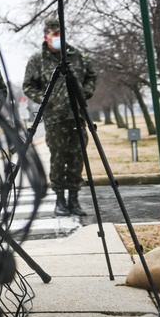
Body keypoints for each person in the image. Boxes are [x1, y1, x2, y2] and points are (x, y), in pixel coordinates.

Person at [23, 16, 97, 217]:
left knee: (76, 158)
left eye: (60, 34)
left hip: (77, 116)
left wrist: (85, 93)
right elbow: (28, 86)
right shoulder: (37, 60)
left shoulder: (76, 56)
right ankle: (60, 200)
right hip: (54, 118)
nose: (58, 38)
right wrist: (46, 99)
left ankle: (74, 199)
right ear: (46, 36)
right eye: (55, 34)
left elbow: (91, 76)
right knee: (58, 158)